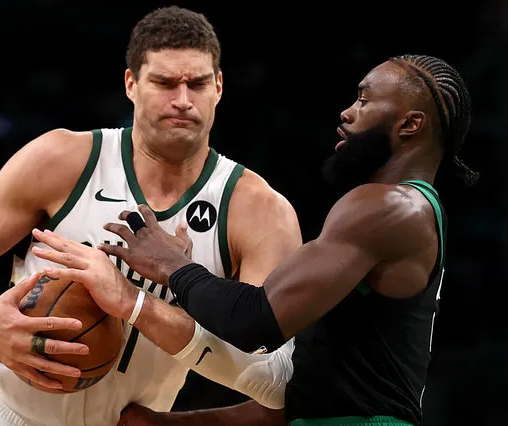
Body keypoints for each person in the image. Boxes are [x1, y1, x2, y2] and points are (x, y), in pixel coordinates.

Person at [30, 54, 479, 426]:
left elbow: (255, 323)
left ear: (410, 125)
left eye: (364, 100)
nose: (347, 112)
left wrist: (170, 270)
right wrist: (164, 423)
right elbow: (292, 400)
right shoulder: (391, 213)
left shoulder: (389, 208)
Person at [0, 5, 302, 426]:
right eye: (163, 83)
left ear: (218, 87)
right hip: (7, 413)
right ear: (131, 84)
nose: (181, 100)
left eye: (196, 84)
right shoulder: (64, 159)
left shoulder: (262, 212)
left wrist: (134, 303)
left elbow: (271, 378)